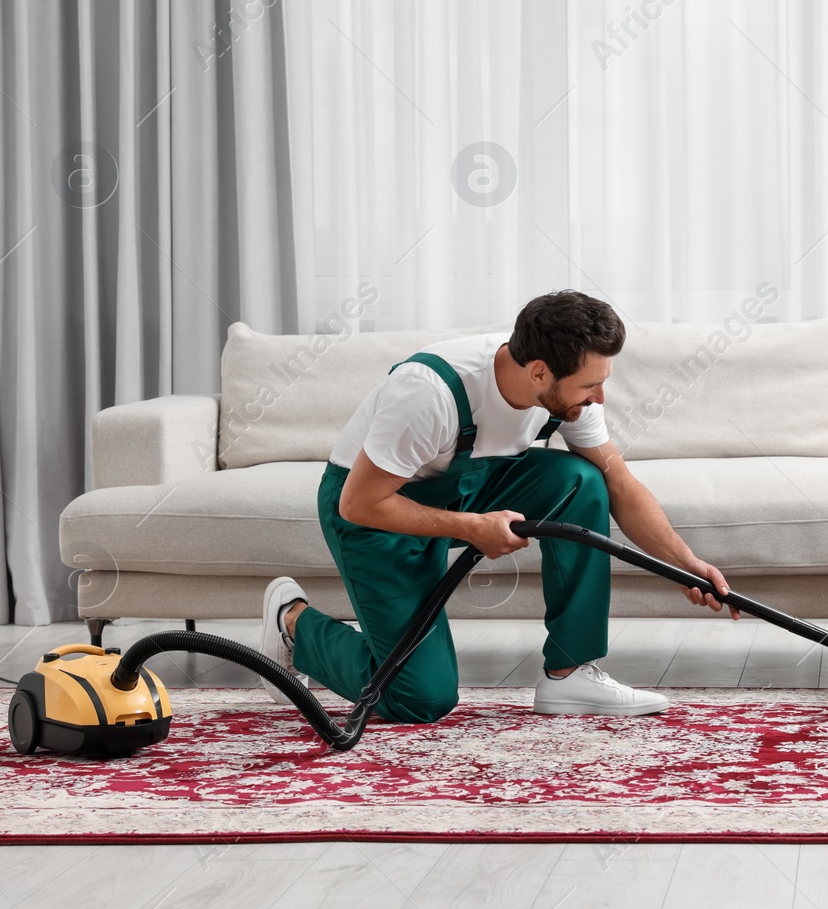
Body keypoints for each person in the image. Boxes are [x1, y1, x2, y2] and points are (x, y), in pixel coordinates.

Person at [257, 290, 738, 722]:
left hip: (470, 489)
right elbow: (359, 502)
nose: (600, 397)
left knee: (585, 479)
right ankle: (295, 622)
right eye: (590, 385)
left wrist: (684, 563)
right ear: (539, 372)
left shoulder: (565, 393)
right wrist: (471, 527)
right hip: (375, 510)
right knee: (420, 698)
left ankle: (569, 673)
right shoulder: (430, 393)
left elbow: (622, 485)